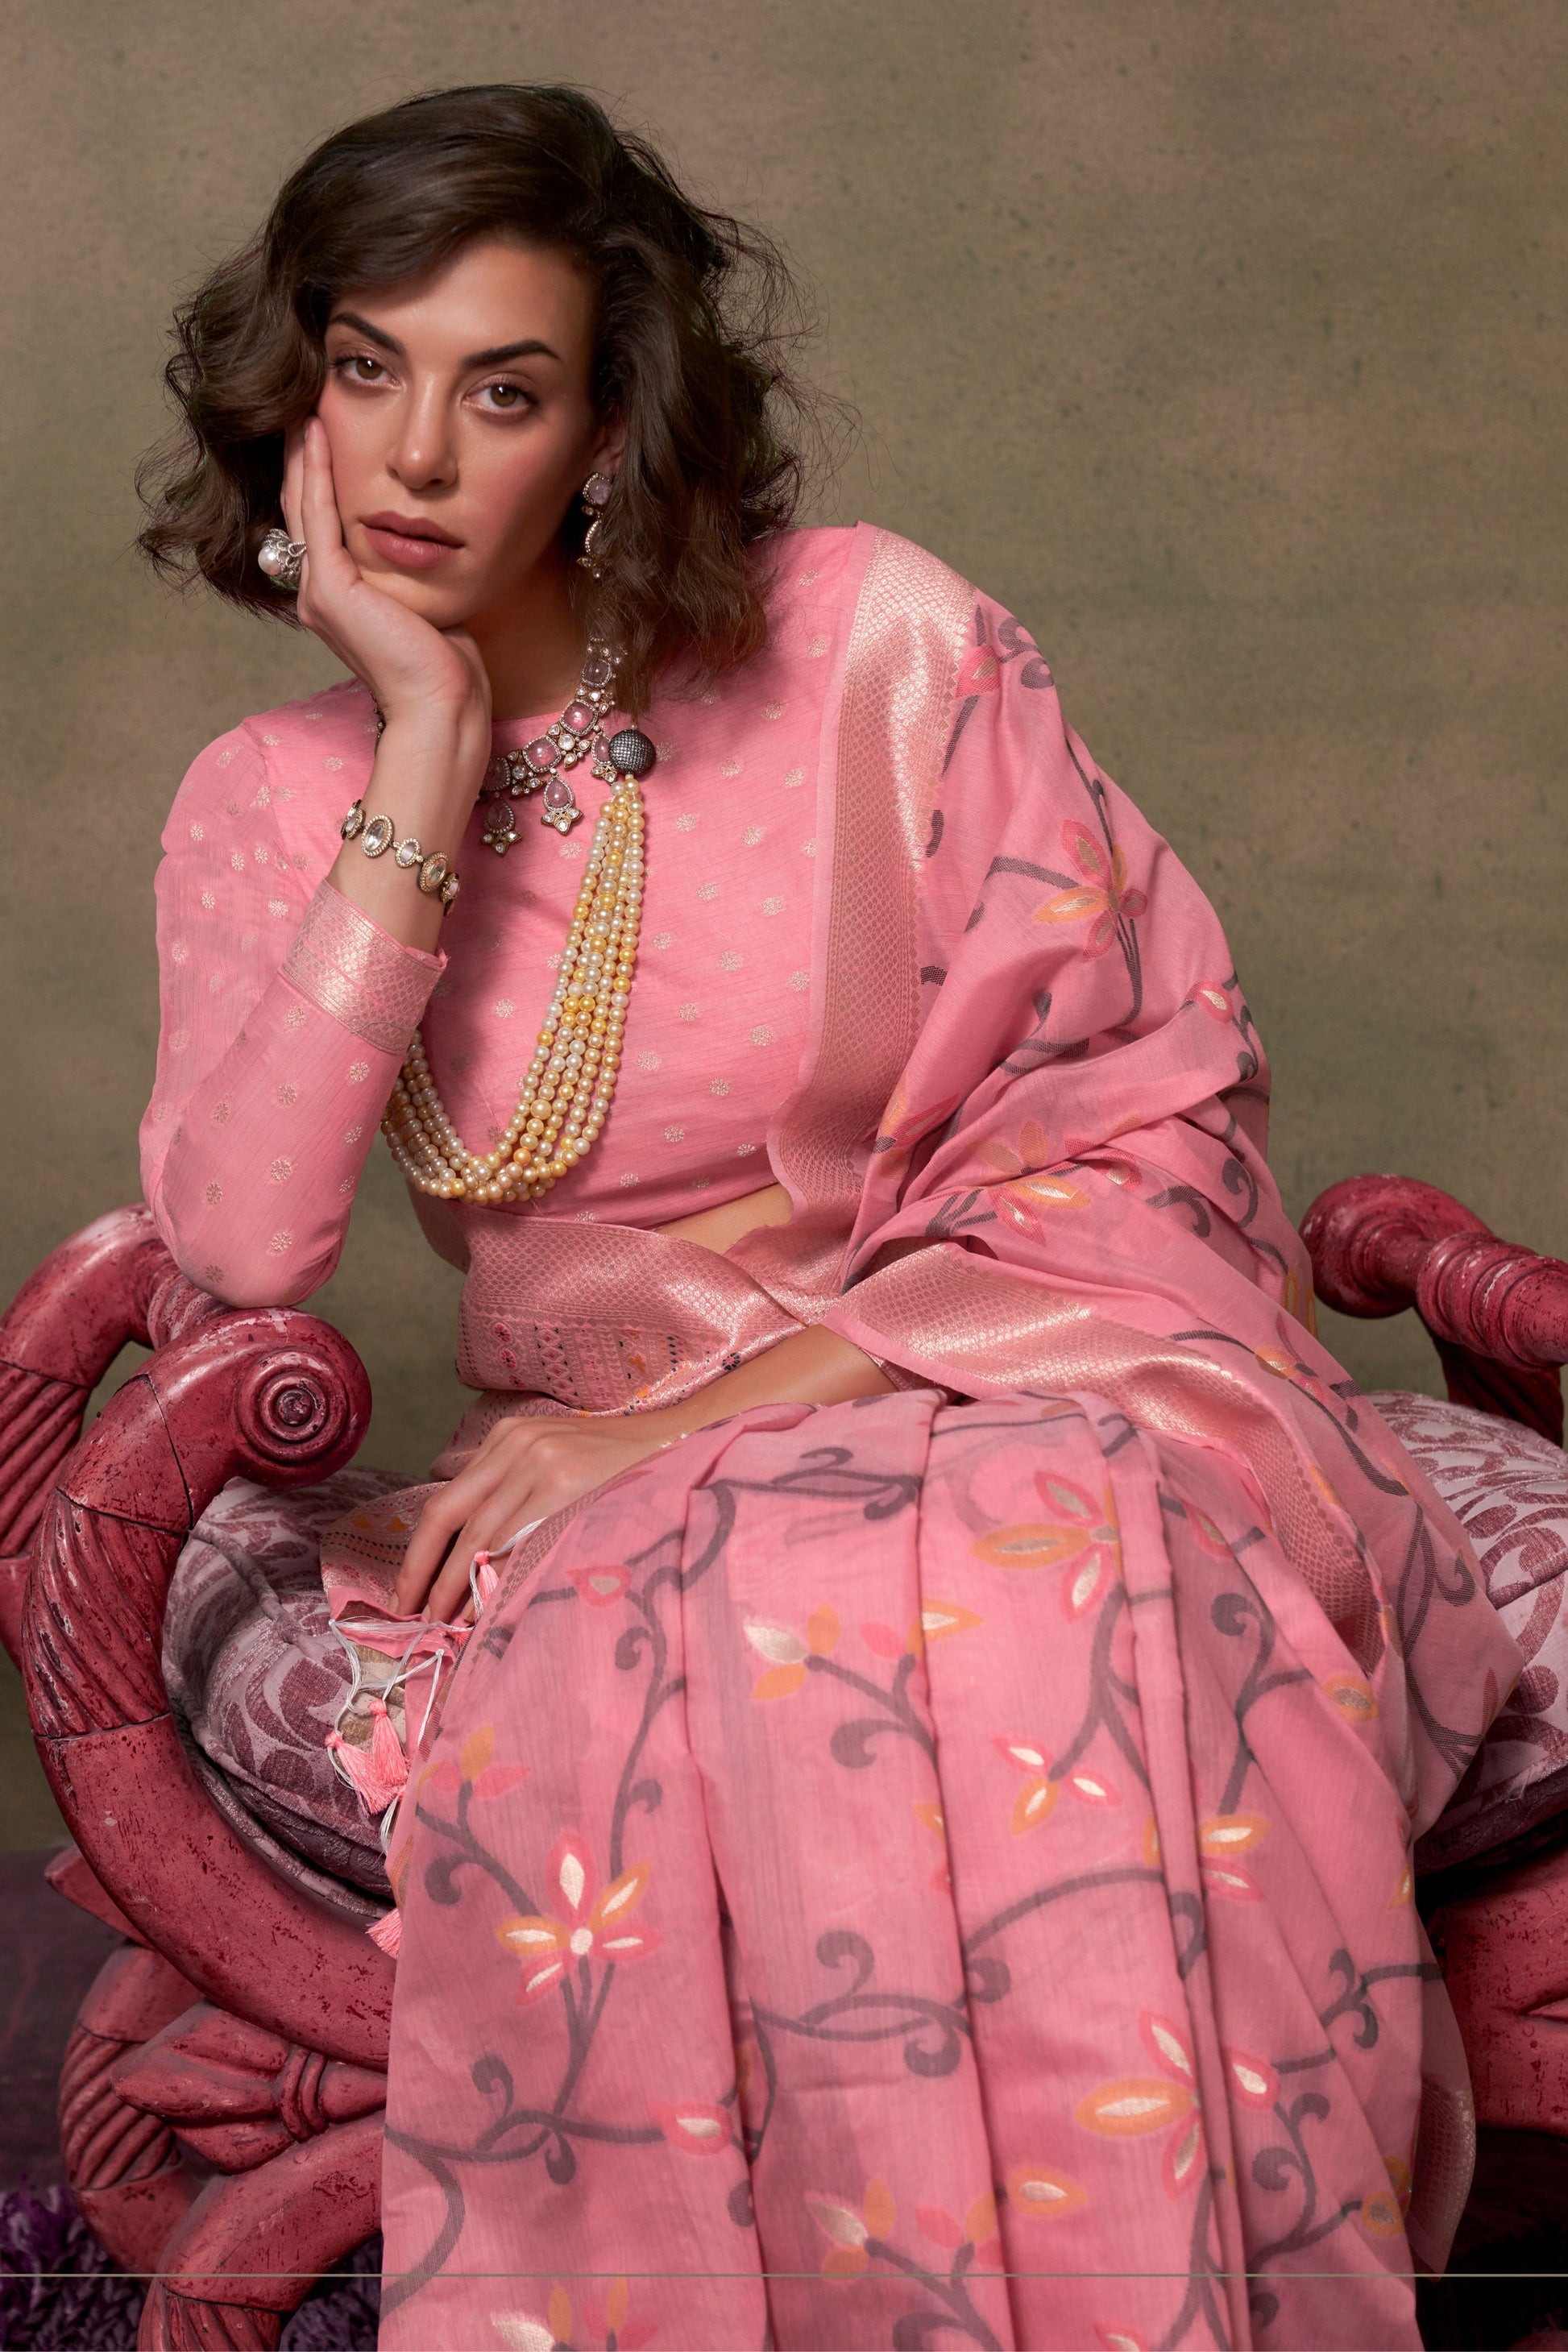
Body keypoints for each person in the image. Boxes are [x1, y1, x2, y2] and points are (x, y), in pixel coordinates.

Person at [136, 82, 1517, 2352]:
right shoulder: (271, 795)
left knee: (1031, 1582)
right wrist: (420, 747)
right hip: (614, 1473)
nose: (413, 456)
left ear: (607, 429)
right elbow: (242, 1244)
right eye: (366, 370)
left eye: (503, 391)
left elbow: (1140, 1114)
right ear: (295, 392)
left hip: (1023, 1365)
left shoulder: (874, 647)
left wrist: (700, 1418)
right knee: (744, 1624)